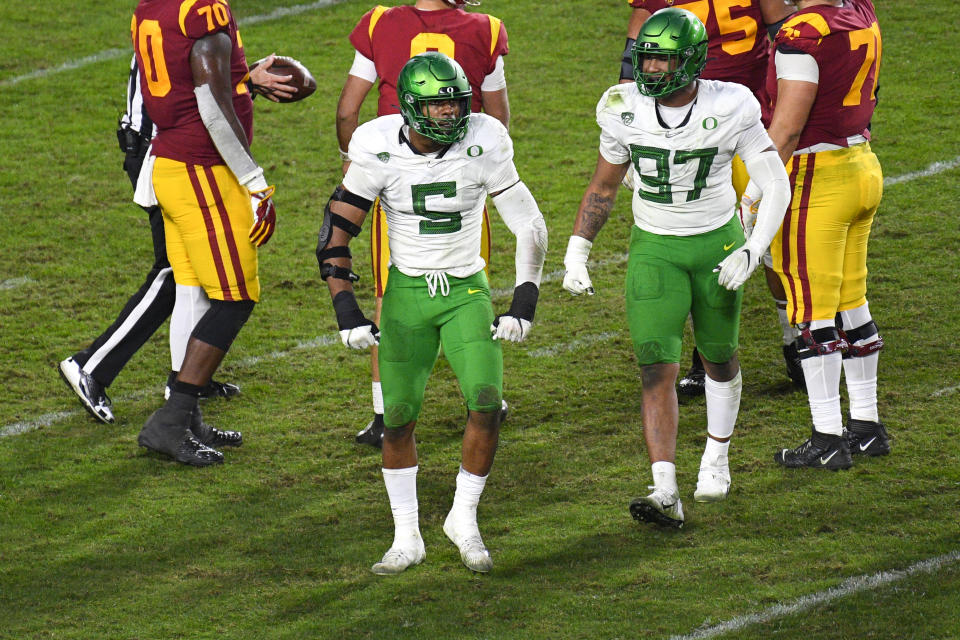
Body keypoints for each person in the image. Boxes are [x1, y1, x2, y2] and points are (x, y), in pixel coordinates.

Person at [318, 52, 546, 572]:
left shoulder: (485, 138)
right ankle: (407, 536)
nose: (450, 115)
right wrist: (346, 310)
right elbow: (335, 234)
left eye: (455, 104)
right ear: (412, 107)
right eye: (439, 106)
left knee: (487, 402)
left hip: (466, 288)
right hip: (407, 295)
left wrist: (525, 298)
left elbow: (528, 223)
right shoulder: (376, 144)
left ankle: (463, 518)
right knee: (396, 419)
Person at [563, 8, 790, 526]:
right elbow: (603, 186)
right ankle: (664, 487)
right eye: (648, 57)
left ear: (689, 61)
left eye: (664, 58)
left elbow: (775, 182)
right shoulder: (621, 106)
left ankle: (717, 454)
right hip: (654, 247)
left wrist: (753, 248)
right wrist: (579, 248)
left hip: (715, 244)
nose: (653, 69)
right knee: (654, 367)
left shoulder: (731, 104)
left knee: (719, 358)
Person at [58, 54, 295, 425]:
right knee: (172, 269)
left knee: (195, 270)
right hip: (164, 153)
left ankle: (187, 379)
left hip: (167, 149)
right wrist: (244, 83)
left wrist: (243, 81)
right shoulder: (187, 20)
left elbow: (192, 84)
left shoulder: (173, 19)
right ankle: (91, 365)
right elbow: (191, 94)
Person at [335, 0, 510, 448]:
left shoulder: (380, 22)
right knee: (470, 288)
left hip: (395, 179)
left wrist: (357, 170)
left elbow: (346, 111)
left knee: (388, 294)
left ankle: (383, 410)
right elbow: (497, 116)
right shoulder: (485, 29)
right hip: (463, 181)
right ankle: (483, 392)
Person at [621, 0, 801, 396]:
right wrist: (633, 133)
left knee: (766, 235)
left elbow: (786, 37)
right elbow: (636, 52)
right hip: (683, 122)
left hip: (744, 120)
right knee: (697, 235)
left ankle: (797, 339)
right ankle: (710, 359)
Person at [129, 0, 279, 466]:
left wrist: (242, 78)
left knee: (192, 293)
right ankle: (170, 420)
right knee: (236, 297)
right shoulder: (203, 13)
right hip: (203, 170)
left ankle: (185, 416)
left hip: (171, 162)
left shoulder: (150, 8)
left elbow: (186, 82)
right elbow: (212, 109)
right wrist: (255, 182)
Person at [762, 0, 887, 469]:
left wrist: (759, 191)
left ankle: (827, 437)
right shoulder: (860, 10)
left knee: (812, 313)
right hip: (862, 166)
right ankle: (867, 427)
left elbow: (788, 129)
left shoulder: (803, 33)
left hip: (816, 174)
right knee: (853, 303)